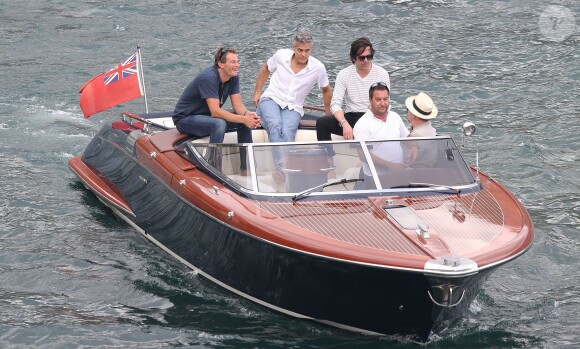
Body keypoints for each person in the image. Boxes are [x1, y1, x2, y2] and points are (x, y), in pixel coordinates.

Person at [253, 31, 332, 143]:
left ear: (311, 50)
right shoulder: (280, 55)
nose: (303, 54)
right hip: (271, 99)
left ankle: (281, 161)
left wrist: (328, 115)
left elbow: (327, 89)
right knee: (275, 124)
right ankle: (282, 161)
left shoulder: (318, 68)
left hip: (293, 107)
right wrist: (257, 92)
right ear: (293, 48)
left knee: (287, 131)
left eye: (307, 50)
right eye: (300, 50)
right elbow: (266, 68)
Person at [173, 47, 261, 143]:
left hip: (207, 117)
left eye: (237, 62)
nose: (237, 65)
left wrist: (247, 114)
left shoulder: (233, 77)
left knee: (243, 122)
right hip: (185, 119)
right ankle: (214, 158)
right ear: (220, 64)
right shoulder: (208, 77)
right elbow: (215, 112)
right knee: (219, 123)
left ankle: (246, 157)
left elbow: (238, 105)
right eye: (233, 62)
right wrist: (244, 119)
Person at [316, 37, 391, 141]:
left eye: (369, 57)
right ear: (354, 58)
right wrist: (344, 123)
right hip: (351, 116)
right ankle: (328, 156)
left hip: (372, 116)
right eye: (361, 57)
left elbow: (386, 103)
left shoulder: (382, 73)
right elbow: (335, 104)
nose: (366, 60)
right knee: (322, 122)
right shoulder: (344, 74)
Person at [353, 82, 409, 178]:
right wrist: (390, 165)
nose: (383, 103)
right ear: (370, 100)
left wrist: (415, 147)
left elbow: (407, 137)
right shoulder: (362, 124)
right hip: (374, 177)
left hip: (398, 172)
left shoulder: (395, 116)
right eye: (378, 100)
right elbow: (363, 155)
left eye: (385, 99)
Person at [405, 92, 438, 167]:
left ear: (413, 115)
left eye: (408, 109)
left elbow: (405, 160)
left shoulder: (415, 136)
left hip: (415, 173)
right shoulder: (432, 130)